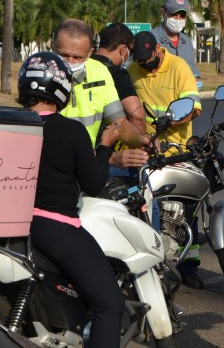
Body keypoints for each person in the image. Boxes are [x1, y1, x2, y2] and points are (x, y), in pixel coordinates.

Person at [18, 51, 124, 347]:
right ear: (62, 88)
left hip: (12, 227)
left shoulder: (8, 125)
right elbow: (93, 184)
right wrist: (104, 147)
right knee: (109, 303)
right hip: (55, 228)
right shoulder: (71, 130)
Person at [127, 31, 205, 289]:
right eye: (140, 62)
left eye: (148, 59)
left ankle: (189, 266)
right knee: (145, 207)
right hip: (147, 150)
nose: (145, 66)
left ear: (158, 50)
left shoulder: (178, 66)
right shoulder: (133, 70)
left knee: (187, 208)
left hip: (176, 149)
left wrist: (170, 121)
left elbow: (193, 107)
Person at [53, 19, 143, 148]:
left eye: (78, 57)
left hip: (87, 160)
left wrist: (141, 140)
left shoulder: (100, 72)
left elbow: (119, 123)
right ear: (53, 46)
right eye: (63, 54)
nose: (70, 62)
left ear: (90, 53)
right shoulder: (38, 70)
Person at [90, 23, 152, 177]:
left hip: (78, 156)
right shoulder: (117, 74)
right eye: (130, 52)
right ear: (122, 48)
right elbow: (136, 116)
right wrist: (139, 145)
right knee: (144, 196)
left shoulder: (85, 66)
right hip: (108, 159)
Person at [152, 0, 203, 90]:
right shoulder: (152, 39)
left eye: (182, 16)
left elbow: (194, 73)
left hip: (185, 101)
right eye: (174, 14)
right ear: (164, 13)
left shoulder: (187, 42)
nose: (178, 19)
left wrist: (196, 80)